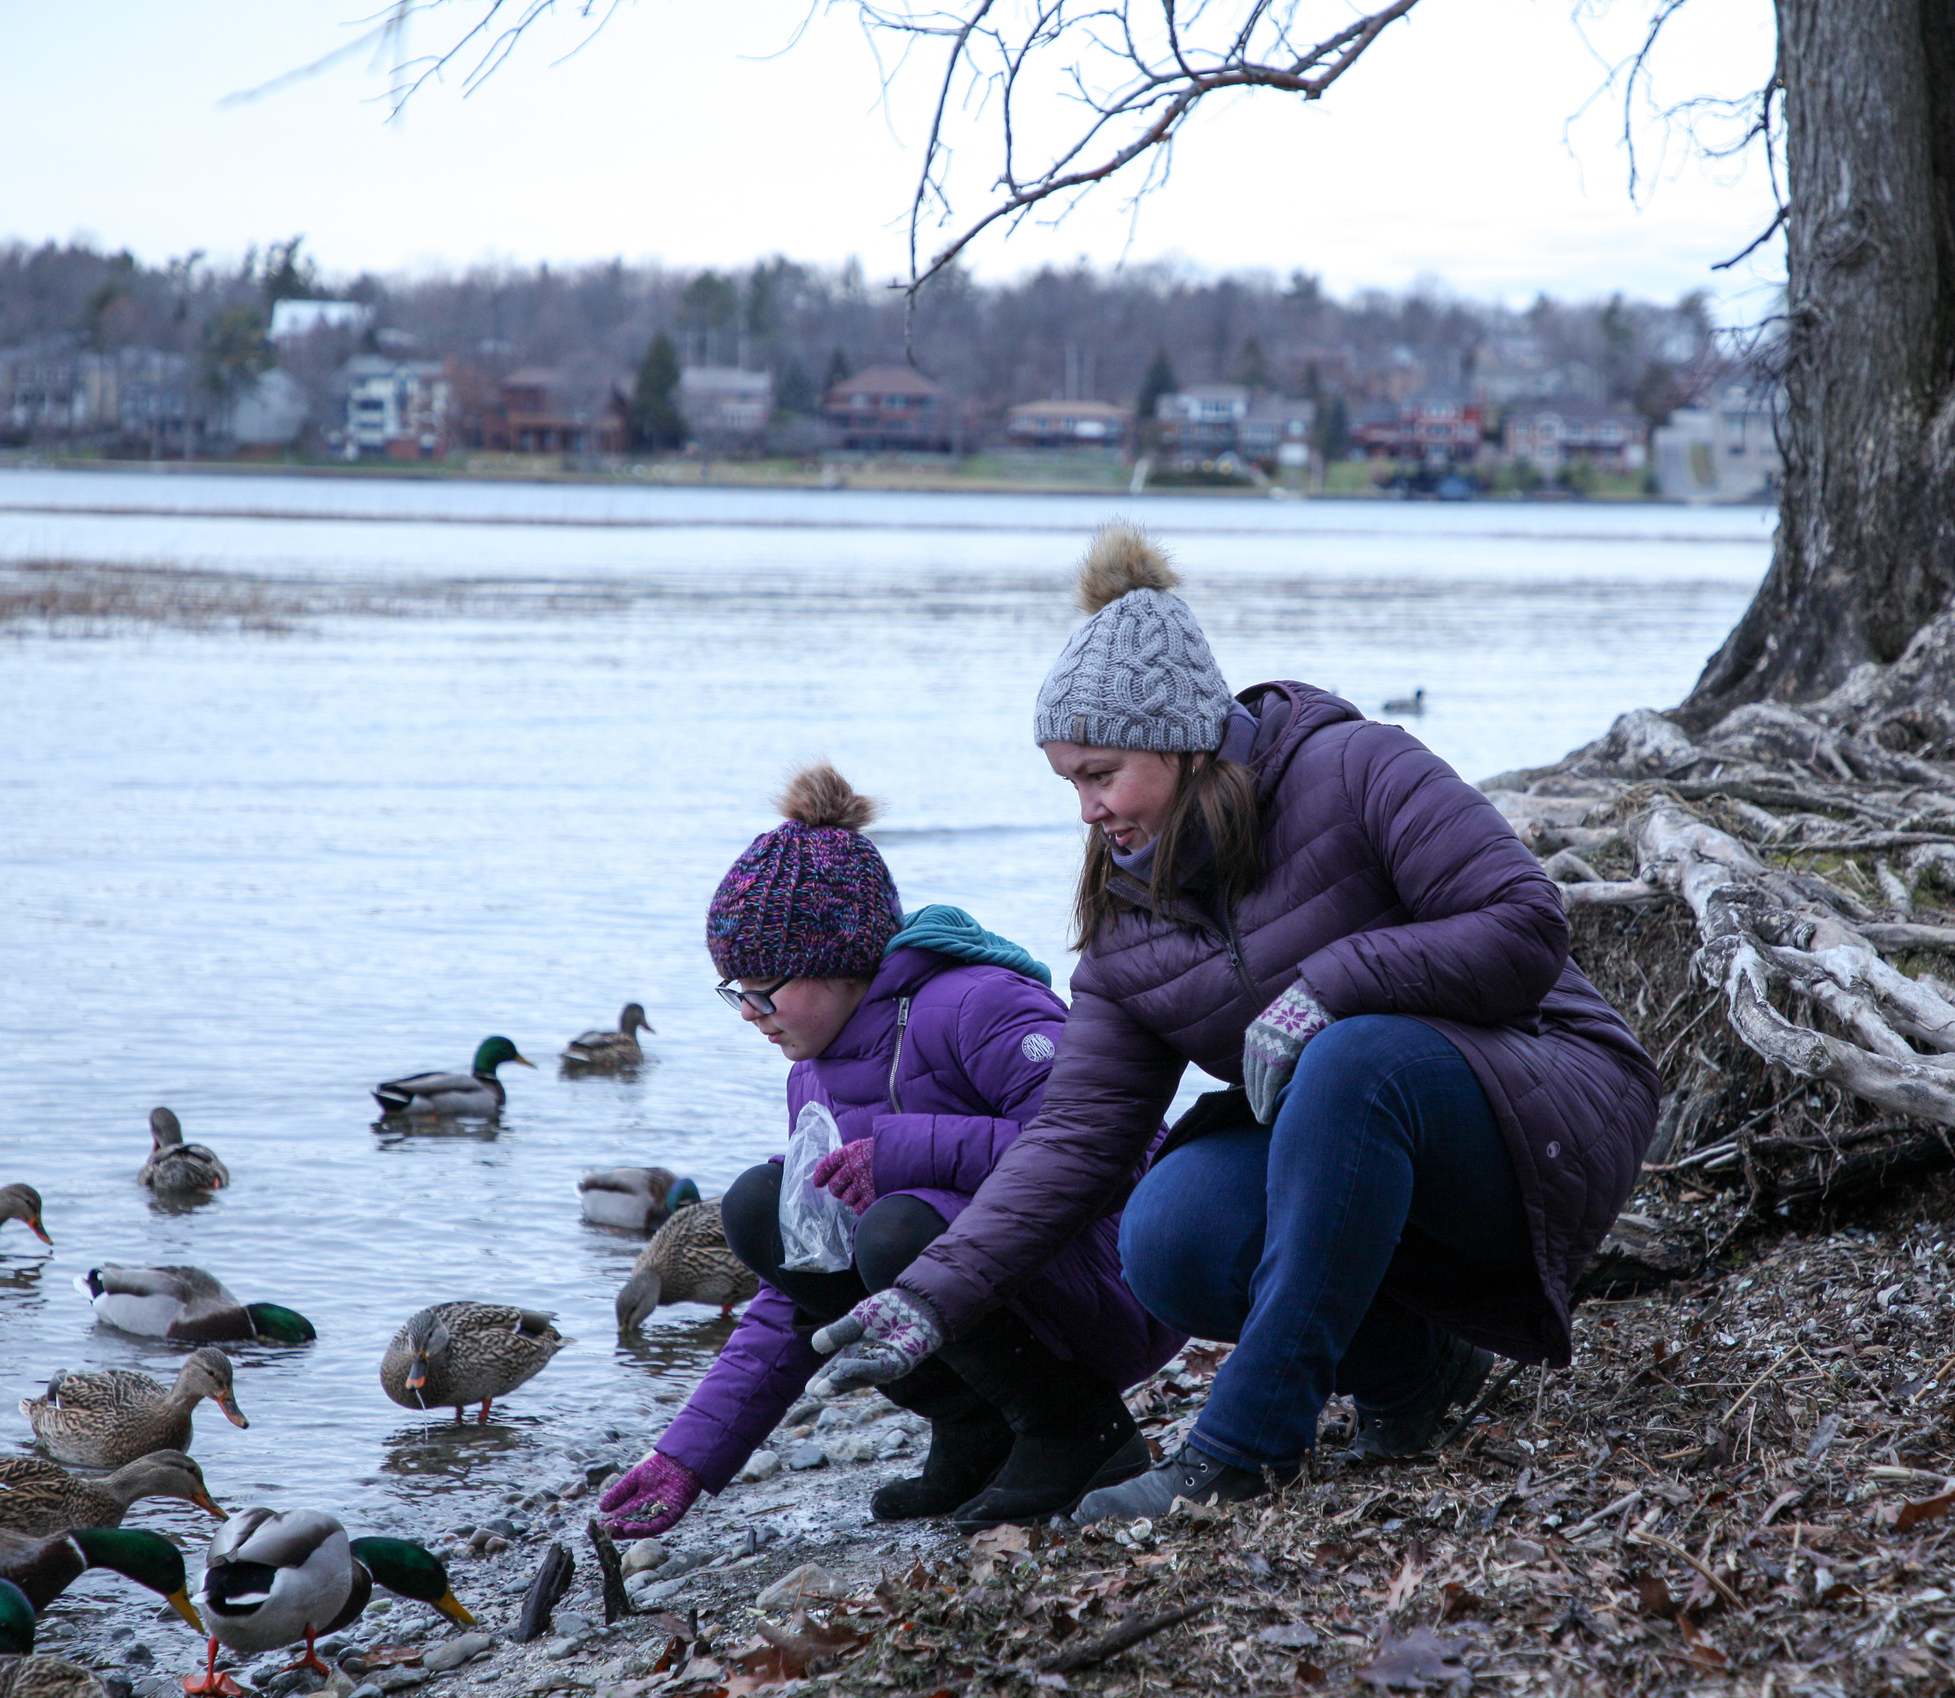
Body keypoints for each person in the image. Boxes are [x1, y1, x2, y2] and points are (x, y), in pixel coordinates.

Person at [804, 529, 1661, 1520]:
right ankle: (1414, 1375)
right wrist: (932, 1294)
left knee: (1349, 1059)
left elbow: (1528, 927)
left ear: (1183, 740)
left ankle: (1243, 1450)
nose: (1086, 809)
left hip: (1547, 1100)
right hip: (1361, 1144)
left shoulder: (1354, 769)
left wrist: (1332, 983)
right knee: (1167, 1233)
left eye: (1101, 774)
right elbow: (1074, 1140)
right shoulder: (1130, 925)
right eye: (1069, 783)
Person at [598, 763, 1182, 1539]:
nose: (748, 1012)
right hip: (988, 1297)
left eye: (763, 986)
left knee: (896, 1227)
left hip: (1116, 1283)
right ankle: (977, 1430)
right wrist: (689, 1459)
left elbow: (1120, 1148)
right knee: (759, 1210)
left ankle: (1080, 1432)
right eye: (732, 989)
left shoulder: (981, 1002)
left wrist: (903, 1153)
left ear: (840, 958)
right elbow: (799, 1288)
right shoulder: (812, 1072)